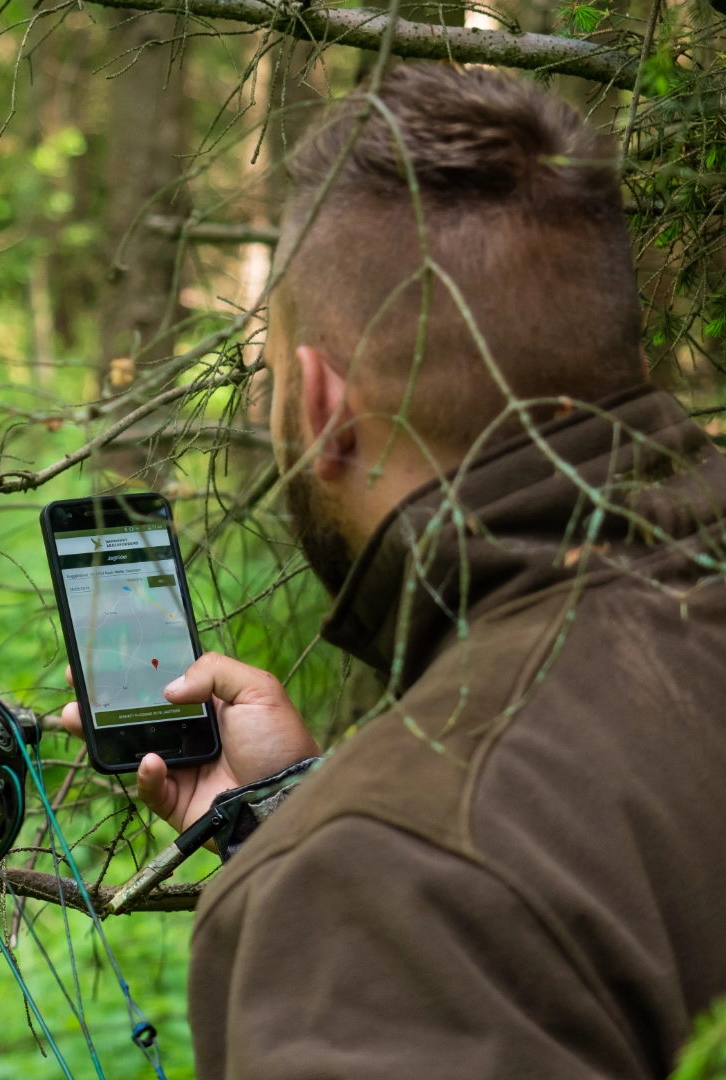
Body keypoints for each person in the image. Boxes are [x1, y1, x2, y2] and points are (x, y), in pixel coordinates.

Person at [65, 63, 726, 1078]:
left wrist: (342, 847)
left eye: (272, 380)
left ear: (323, 405)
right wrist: (286, 812)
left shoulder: (381, 885)